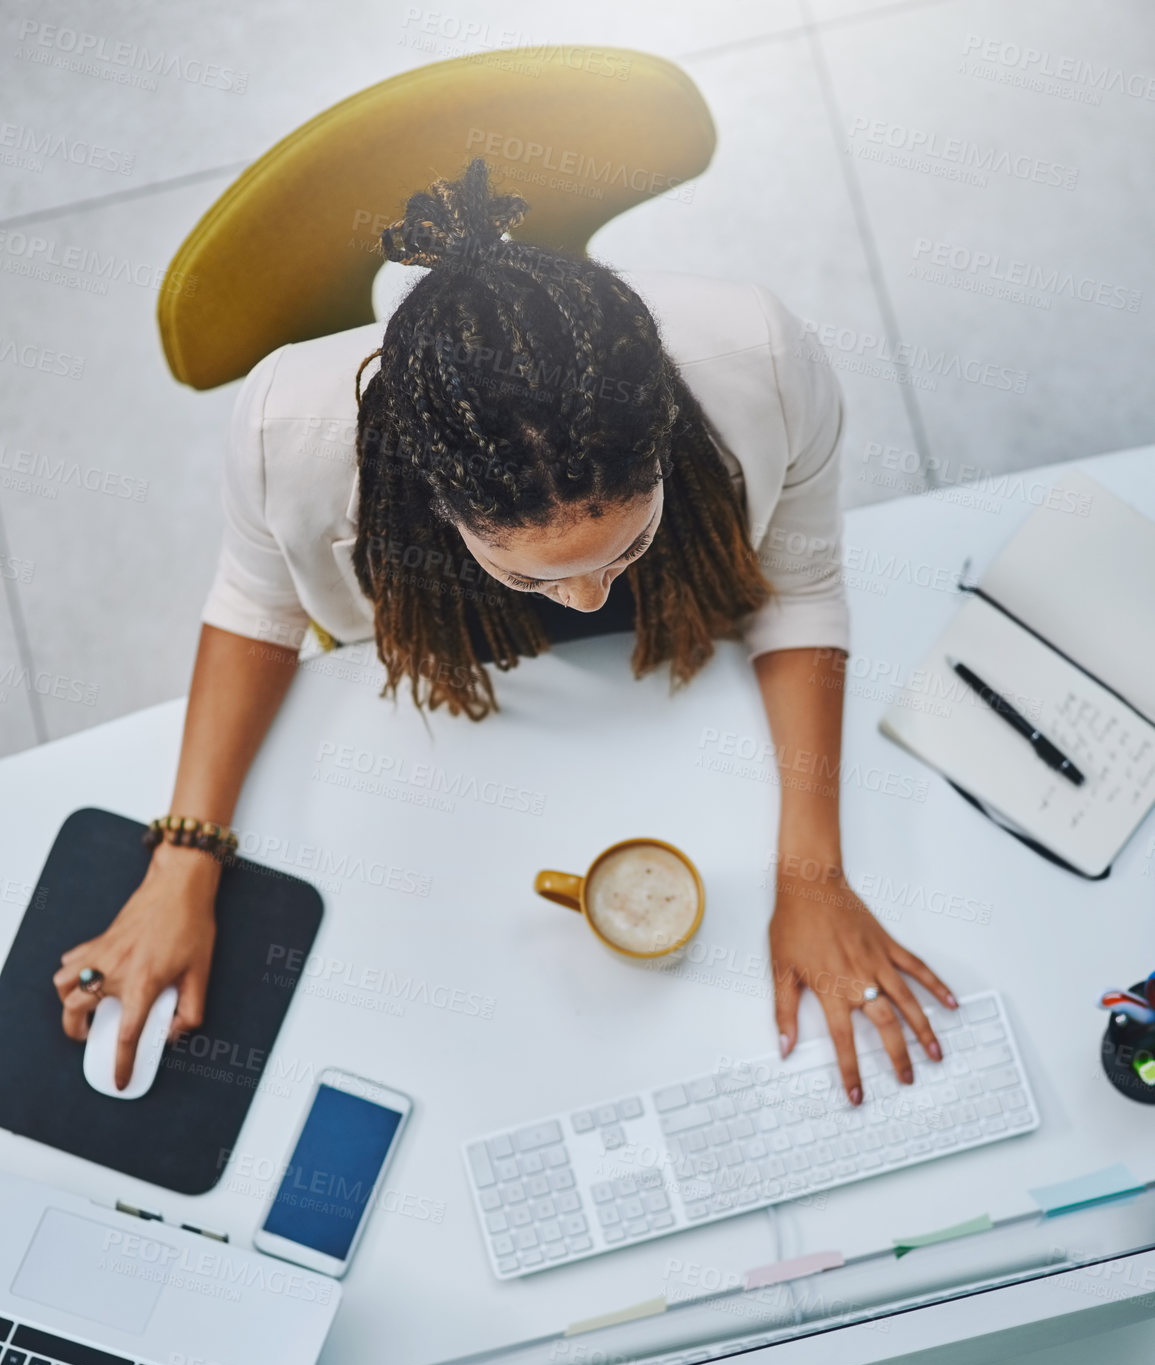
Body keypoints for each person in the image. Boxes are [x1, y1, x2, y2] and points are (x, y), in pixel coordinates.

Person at [53, 157, 956, 1096]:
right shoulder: (288, 426)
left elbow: (802, 581)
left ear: (661, 447)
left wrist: (811, 872)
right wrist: (181, 862)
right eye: (532, 571)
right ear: (433, 503)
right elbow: (256, 602)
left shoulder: (759, 355)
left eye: (629, 540)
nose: (592, 600)